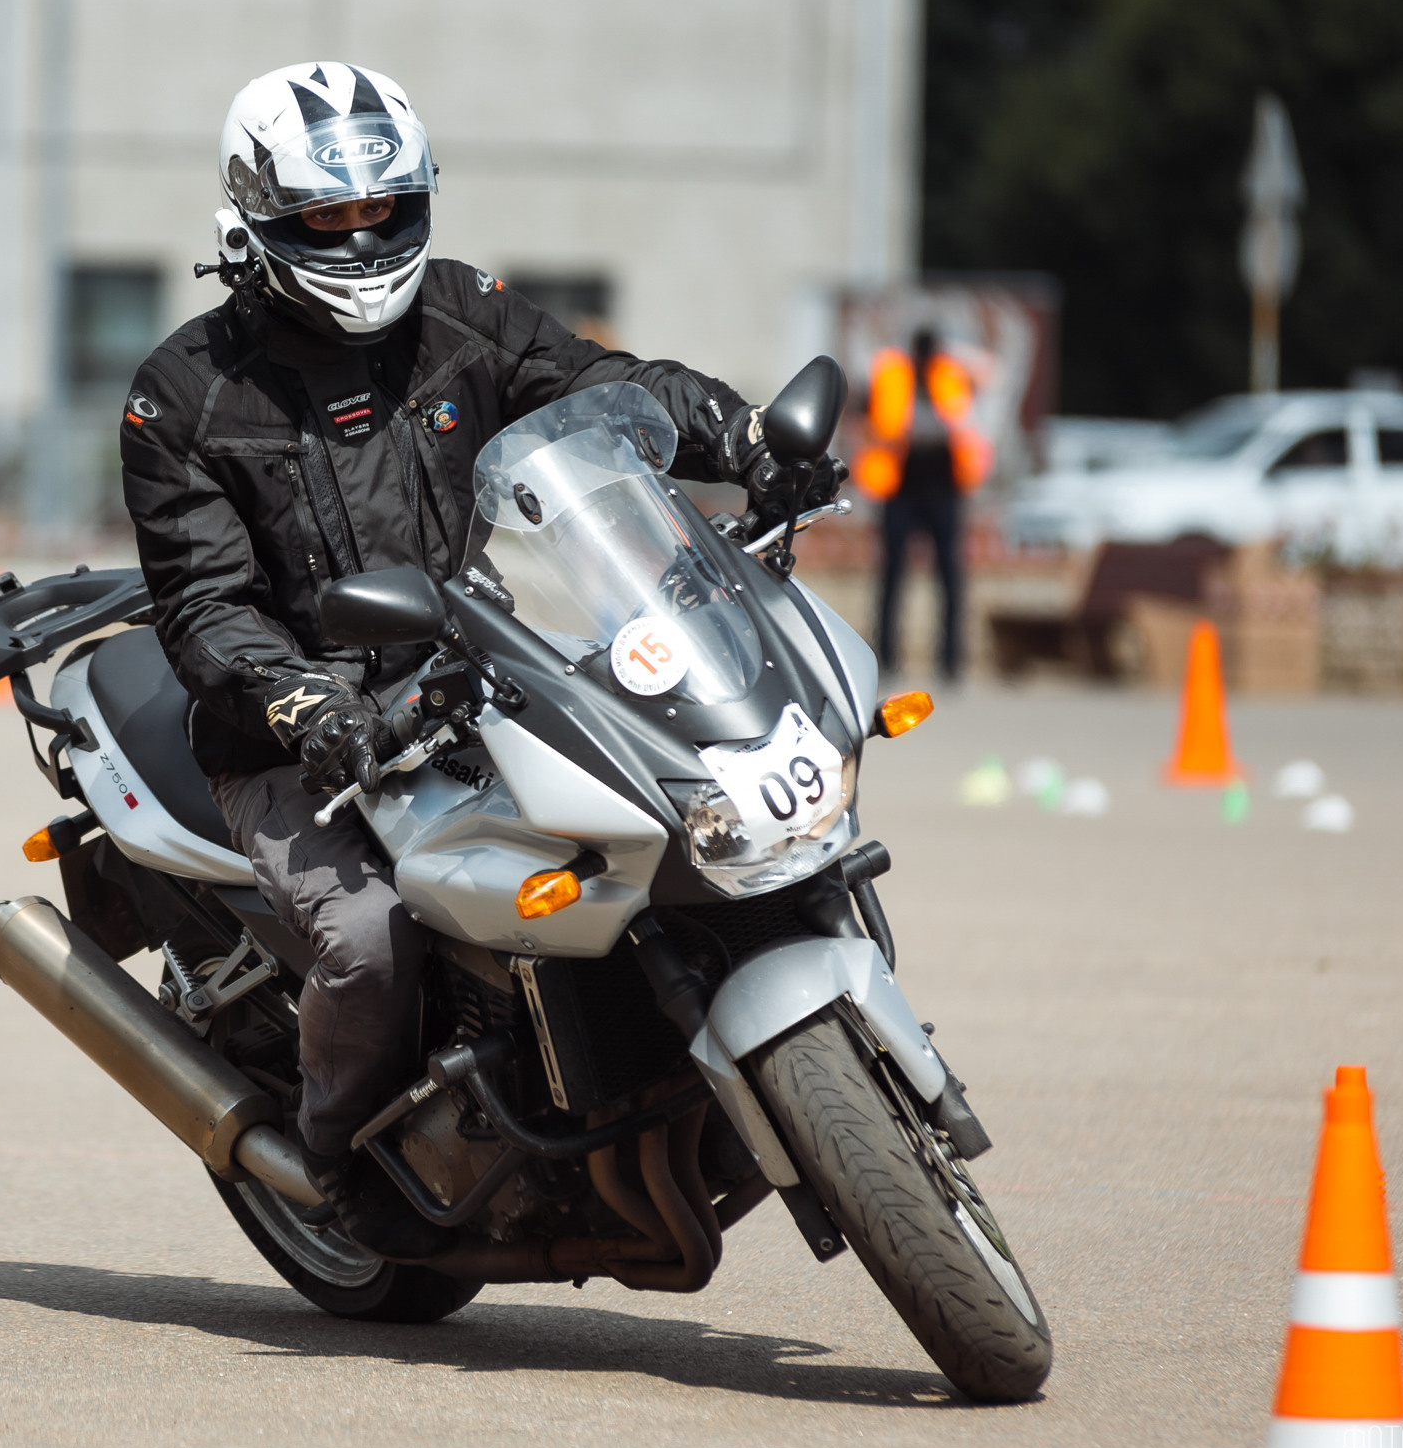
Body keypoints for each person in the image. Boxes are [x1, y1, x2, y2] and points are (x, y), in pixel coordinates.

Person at [117, 61, 827, 1260]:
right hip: (303, 737)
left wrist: (739, 436)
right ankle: (337, 1168)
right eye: (325, 218)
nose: (359, 237)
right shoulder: (182, 397)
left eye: (381, 210)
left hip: (499, 669)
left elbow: (603, 392)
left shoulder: (464, 310)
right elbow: (204, 606)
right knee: (370, 937)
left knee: (661, 820)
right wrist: (306, 701)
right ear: (255, 217)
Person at [856, 327, 990, 684]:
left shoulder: (951, 375)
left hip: (943, 487)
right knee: (891, 576)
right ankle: (885, 657)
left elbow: (968, 418)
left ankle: (950, 663)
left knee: (949, 576)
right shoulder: (891, 374)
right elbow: (868, 418)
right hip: (900, 486)